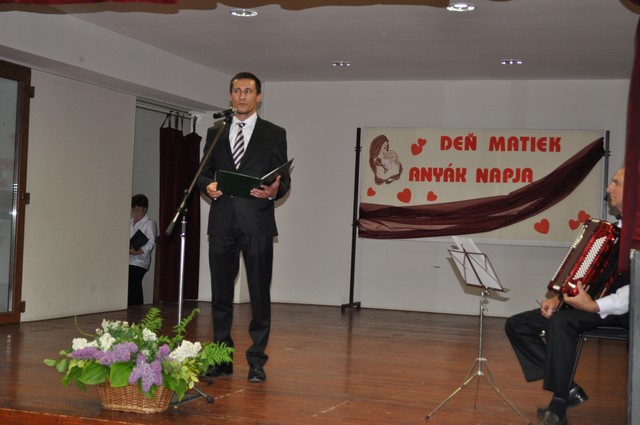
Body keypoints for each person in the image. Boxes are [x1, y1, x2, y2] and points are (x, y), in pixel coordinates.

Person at [505, 167, 628, 425]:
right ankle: (569, 388)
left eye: (615, 183)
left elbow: (633, 292)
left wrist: (595, 306)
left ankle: (559, 405)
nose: (609, 188)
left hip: (620, 311)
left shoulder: (635, 237)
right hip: (586, 304)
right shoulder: (608, 232)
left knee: (561, 323)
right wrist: (558, 298)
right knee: (517, 325)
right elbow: (585, 272)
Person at [197, 72, 291, 382]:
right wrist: (208, 185)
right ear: (230, 96)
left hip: (257, 223)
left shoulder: (274, 133)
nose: (242, 96)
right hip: (222, 222)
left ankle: (256, 360)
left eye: (248, 91)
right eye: (237, 90)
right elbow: (203, 173)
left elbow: (283, 179)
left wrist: (273, 191)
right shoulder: (216, 132)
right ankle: (221, 358)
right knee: (221, 295)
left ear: (258, 97)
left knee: (259, 294)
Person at [128, 194, 158, 306]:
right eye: (134, 209)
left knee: (133, 282)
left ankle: (136, 308)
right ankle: (132, 307)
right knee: (130, 285)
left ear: (145, 209)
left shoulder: (150, 223)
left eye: (138, 209)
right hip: (128, 259)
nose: (135, 212)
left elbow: (151, 242)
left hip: (140, 260)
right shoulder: (130, 222)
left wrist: (138, 251)